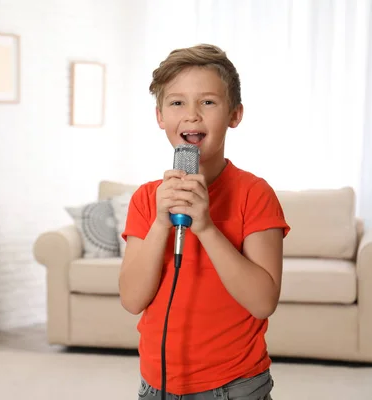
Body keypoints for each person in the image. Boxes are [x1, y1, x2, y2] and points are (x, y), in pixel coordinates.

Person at [119, 44, 291, 400]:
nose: (192, 115)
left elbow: (262, 302)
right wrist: (159, 225)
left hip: (234, 386)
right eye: (177, 102)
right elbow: (132, 299)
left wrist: (206, 228)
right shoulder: (145, 200)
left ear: (235, 114)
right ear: (160, 117)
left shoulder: (254, 194)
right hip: (157, 384)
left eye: (208, 102)